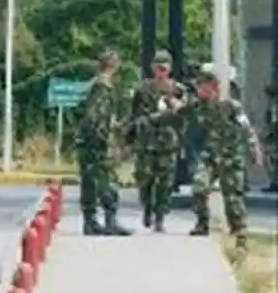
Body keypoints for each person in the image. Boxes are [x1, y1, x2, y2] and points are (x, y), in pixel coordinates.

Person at [155, 70, 263, 251]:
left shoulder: (231, 106)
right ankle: (202, 222)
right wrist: (166, 104)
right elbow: (179, 111)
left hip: (231, 157)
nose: (199, 92)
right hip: (210, 155)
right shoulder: (198, 106)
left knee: (233, 199)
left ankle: (240, 236)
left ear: (213, 88)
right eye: (198, 88)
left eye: (202, 88)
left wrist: (255, 150)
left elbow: (247, 129)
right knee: (199, 187)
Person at [128, 50, 187, 232]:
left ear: (169, 68)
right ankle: (147, 208)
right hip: (146, 142)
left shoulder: (178, 90)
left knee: (165, 182)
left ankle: (160, 216)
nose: (161, 71)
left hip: (168, 143)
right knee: (144, 179)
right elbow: (134, 114)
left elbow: (184, 116)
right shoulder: (143, 89)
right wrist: (130, 139)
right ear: (153, 68)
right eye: (158, 67)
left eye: (164, 67)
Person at [76, 50, 133, 236]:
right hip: (97, 145)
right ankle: (109, 221)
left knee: (90, 182)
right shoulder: (102, 87)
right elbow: (96, 117)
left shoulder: (93, 85)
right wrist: (105, 137)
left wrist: (114, 124)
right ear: (114, 65)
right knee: (106, 181)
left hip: (87, 142)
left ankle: (90, 221)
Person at [264, 84, 277, 194]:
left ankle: (274, 183)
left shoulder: (274, 105)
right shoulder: (272, 104)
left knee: (271, 160)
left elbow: (274, 122)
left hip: (274, 136)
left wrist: (266, 133)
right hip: (273, 135)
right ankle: (274, 182)